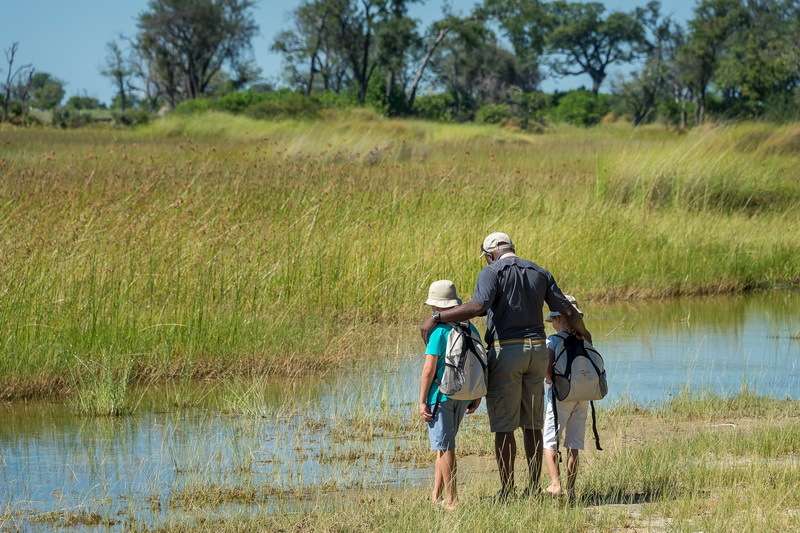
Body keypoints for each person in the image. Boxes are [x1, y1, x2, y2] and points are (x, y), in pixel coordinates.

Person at [420, 232, 591, 500]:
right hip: (538, 351)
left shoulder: (491, 272)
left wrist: (438, 317)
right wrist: (584, 333)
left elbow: (478, 306)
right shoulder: (539, 272)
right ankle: (533, 487)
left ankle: (508, 489)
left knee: (504, 426)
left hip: (506, 350)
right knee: (533, 424)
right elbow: (566, 309)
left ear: (490, 255)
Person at [418, 279, 481, 510]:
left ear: (436, 306)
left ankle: (452, 500)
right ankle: (435, 497)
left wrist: (422, 401)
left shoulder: (438, 332)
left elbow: (428, 370)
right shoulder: (470, 328)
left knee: (445, 448)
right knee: (443, 446)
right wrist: (476, 394)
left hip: (441, 396)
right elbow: (478, 362)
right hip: (464, 394)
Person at [542, 295, 588, 501]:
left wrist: (549, 379)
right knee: (574, 444)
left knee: (549, 441)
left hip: (560, 395)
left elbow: (547, 371)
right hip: (583, 395)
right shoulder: (585, 339)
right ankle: (571, 490)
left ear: (559, 319)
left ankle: (555, 483)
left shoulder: (553, 341)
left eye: (554, 319)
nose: (552, 322)